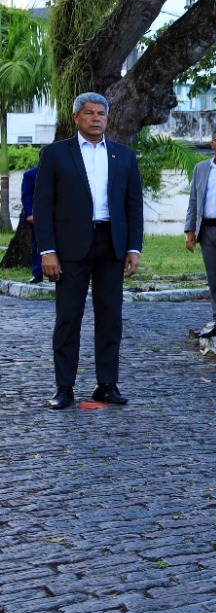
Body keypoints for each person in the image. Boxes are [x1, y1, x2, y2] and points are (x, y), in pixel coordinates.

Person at [35, 92, 144, 409]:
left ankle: (107, 384)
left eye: (101, 113)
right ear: (76, 117)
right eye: (89, 113)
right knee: (68, 318)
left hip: (111, 244)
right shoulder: (56, 154)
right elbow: (43, 206)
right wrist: (48, 251)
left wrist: (133, 248)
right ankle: (64, 388)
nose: (96, 118)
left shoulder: (123, 156)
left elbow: (133, 206)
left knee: (111, 318)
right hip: (69, 248)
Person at [184, 126, 216, 338]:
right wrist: (190, 230)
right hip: (206, 229)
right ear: (211, 144)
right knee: (215, 278)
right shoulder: (201, 168)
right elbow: (194, 200)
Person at [20, 164, 43, 283]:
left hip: (58, 215)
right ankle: (37, 274)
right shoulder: (30, 174)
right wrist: (29, 214)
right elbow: (26, 196)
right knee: (37, 245)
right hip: (37, 216)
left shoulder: (60, 172)